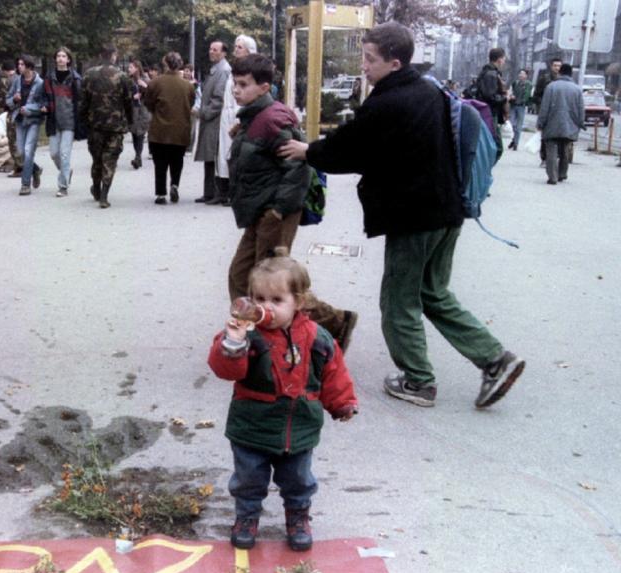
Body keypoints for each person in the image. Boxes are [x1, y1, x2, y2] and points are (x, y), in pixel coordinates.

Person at [279, 21, 525, 409]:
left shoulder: (389, 101)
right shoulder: (428, 91)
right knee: (433, 292)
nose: (364, 65)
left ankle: (418, 382)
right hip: (448, 210)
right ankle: (495, 358)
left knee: (399, 302)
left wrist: (307, 151)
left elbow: (349, 148)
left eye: (370, 59)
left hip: (414, 216)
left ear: (394, 63)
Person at [208, 248, 358, 551]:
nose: (266, 308)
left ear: (298, 302)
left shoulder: (317, 337)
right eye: (259, 299)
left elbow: (333, 371)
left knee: (299, 479)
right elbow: (225, 370)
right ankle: (247, 516)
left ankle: (298, 516)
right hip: (252, 424)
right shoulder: (247, 334)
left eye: (276, 301)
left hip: (299, 425)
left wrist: (341, 402)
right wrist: (233, 343)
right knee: (249, 478)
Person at [226, 53, 357, 351]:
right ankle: (258, 328)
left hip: (275, 213)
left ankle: (332, 323)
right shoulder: (254, 117)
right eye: (235, 83)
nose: (236, 89)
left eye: (243, 84)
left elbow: (298, 167)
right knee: (240, 274)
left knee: (272, 283)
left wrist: (277, 210)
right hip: (260, 212)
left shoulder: (272, 120)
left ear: (264, 87)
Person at [78, 44, 132, 209]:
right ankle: (104, 195)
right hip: (115, 127)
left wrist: (82, 121)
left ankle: (96, 186)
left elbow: (83, 102)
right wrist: (130, 120)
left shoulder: (89, 75)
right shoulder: (122, 77)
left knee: (97, 159)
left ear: (101, 55)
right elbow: (128, 101)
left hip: (95, 125)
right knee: (110, 160)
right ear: (114, 56)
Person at [143, 51, 195, 205]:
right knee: (177, 160)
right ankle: (175, 184)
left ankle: (160, 193)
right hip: (180, 129)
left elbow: (148, 103)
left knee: (160, 162)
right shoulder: (188, 86)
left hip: (160, 129)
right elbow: (190, 104)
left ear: (165, 64)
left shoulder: (155, 83)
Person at [216, 35, 258, 207]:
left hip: (239, 113)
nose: (235, 49)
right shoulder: (235, 69)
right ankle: (226, 191)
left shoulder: (253, 69)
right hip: (227, 115)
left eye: (239, 47)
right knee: (226, 155)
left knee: (238, 154)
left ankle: (238, 192)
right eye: (235, 46)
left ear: (249, 50)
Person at [44, 46, 84, 198]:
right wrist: (44, 106)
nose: (60, 58)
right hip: (54, 119)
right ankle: (66, 172)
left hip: (69, 120)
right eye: (58, 56)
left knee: (65, 154)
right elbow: (44, 97)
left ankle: (63, 186)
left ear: (68, 59)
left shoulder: (75, 78)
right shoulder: (49, 78)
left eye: (63, 56)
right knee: (54, 153)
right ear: (55, 59)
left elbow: (79, 100)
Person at [194, 40, 230, 204]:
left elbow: (218, 98)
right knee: (210, 156)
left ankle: (215, 192)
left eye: (215, 50)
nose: (211, 52)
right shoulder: (217, 69)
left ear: (223, 53)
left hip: (215, 120)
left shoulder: (223, 71)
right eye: (210, 49)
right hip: (211, 119)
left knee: (214, 155)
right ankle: (209, 192)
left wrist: (204, 113)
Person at [6, 54, 46, 196]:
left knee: (29, 151)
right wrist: (15, 100)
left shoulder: (40, 83)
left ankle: (25, 184)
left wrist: (29, 109)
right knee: (21, 153)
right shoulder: (17, 81)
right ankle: (35, 169)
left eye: (22, 64)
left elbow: (43, 104)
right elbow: (8, 99)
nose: (19, 67)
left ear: (29, 66)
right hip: (19, 120)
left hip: (33, 120)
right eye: (19, 64)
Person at [537, 62, 584, 185]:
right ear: (571, 74)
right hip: (570, 124)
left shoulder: (551, 86)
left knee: (551, 149)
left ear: (560, 72)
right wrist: (580, 123)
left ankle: (552, 177)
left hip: (552, 123)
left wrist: (541, 122)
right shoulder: (577, 89)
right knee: (565, 149)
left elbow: (544, 107)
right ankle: (562, 174)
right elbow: (581, 108)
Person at [0, 60, 23, 176]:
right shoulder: (20, 78)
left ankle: (21, 167)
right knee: (20, 139)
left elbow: (4, 97)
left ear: (5, 71)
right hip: (22, 112)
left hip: (12, 112)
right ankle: (21, 167)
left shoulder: (6, 81)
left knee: (12, 141)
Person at [475, 47, 507, 130]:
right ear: (499, 59)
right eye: (504, 59)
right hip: (490, 112)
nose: (504, 62)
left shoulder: (486, 72)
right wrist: (505, 97)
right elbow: (491, 97)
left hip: (486, 111)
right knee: (492, 137)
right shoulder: (491, 74)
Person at [127, 60, 150, 170]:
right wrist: (132, 96)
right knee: (134, 134)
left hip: (143, 111)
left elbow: (153, 93)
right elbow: (124, 95)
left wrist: (145, 86)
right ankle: (137, 156)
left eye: (131, 67)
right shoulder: (128, 81)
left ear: (137, 68)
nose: (129, 69)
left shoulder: (145, 79)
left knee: (140, 134)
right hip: (132, 110)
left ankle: (138, 157)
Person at [508, 69, 532, 151]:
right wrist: (511, 97)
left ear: (526, 76)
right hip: (513, 106)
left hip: (521, 106)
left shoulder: (528, 84)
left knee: (518, 126)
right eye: (520, 73)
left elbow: (527, 95)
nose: (521, 75)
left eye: (523, 74)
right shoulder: (515, 83)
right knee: (512, 124)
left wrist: (522, 101)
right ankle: (513, 139)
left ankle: (515, 143)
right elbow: (511, 91)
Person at [183, 63, 201, 153]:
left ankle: (189, 148)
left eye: (188, 71)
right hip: (182, 109)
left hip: (192, 109)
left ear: (191, 73)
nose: (186, 73)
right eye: (185, 71)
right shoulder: (180, 82)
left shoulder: (195, 84)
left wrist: (196, 107)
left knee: (192, 128)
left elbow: (199, 97)